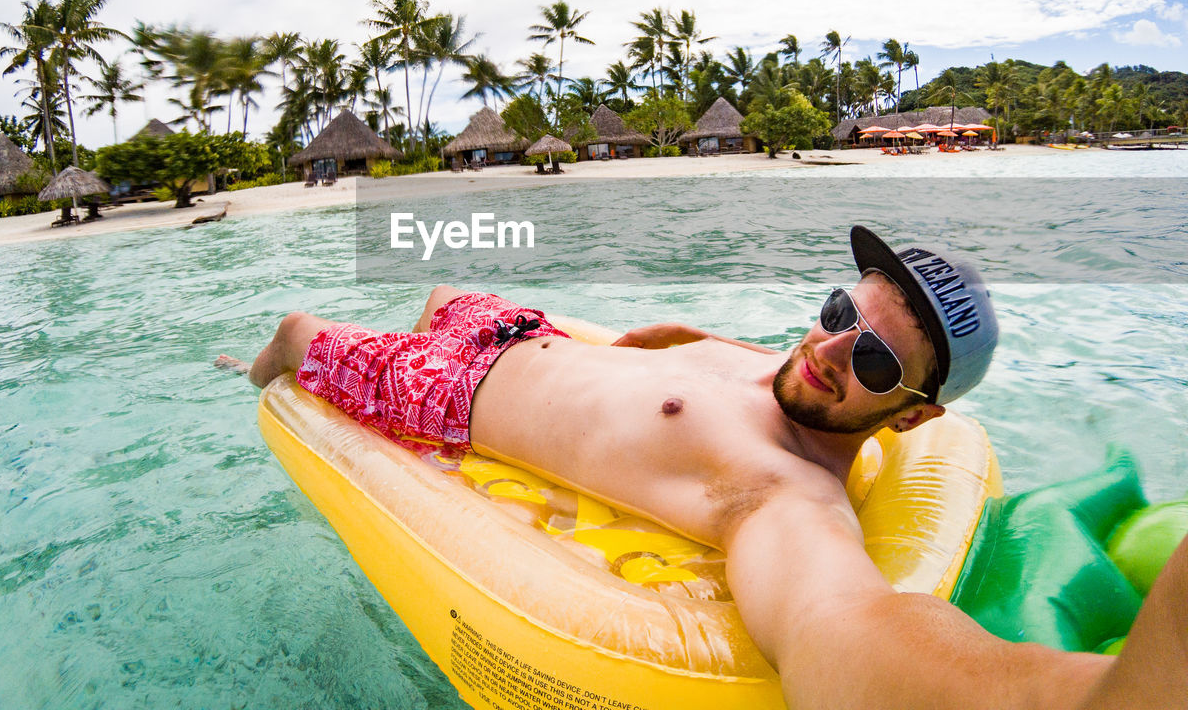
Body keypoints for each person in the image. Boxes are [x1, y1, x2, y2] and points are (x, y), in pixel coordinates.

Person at [238, 225, 1187, 710]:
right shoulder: (796, 366)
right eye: (836, 312)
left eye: (875, 362)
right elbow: (751, 357)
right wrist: (692, 339)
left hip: (453, 392)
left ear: (915, 414)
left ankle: (232, 372)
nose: (831, 349)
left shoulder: (782, 492)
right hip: (514, 331)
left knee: (296, 336)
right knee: (445, 287)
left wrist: (1102, 697)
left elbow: (840, 630)